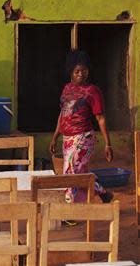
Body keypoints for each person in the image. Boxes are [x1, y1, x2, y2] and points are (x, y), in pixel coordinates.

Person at [49, 50, 114, 204]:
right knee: (79, 173)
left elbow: (101, 118)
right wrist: (54, 137)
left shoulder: (92, 92)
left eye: (84, 71)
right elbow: (63, 114)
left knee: (69, 173)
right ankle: (102, 192)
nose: (81, 74)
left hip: (83, 137)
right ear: (70, 72)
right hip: (67, 139)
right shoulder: (66, 89)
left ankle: (69, 210)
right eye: (77, 71)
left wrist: (108, 144)